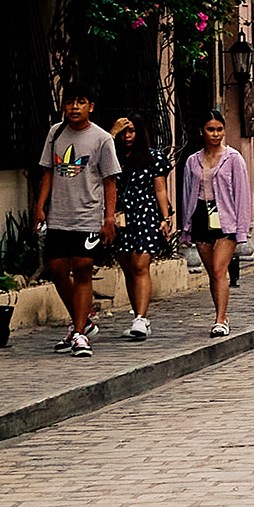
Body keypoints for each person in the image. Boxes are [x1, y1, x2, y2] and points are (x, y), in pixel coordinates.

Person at [31, 90, 119, 355]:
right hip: (59, 214)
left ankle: (79, 333)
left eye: (80, 102)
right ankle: (84, 321)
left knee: (83, 267)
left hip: (88, 215)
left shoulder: (102, 139)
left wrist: (109, 218)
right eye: (70, 102)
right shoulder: (55, 133)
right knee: (56, 269)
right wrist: (40, 206)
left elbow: (110, 181)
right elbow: (47, 172)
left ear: (91, 106)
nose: (74, 107)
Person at [177, 111, 251, 333]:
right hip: (201, 217)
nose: (216, 134)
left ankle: (220, 319)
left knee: (219, 270)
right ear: (202, 131)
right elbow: (187, 195)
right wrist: (186, 228)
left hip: (226, 219)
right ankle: (221, 313)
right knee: (213, 273)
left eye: (219, 129)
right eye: (211, 129)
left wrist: (242, 230)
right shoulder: (192, 161)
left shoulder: (234, 158)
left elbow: (243, 194)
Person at [109, 112, 171, 338]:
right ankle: (137, 316)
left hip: (145, 214)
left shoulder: (153, 157)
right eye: (123, 132)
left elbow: (160, 189)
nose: (127, 136)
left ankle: (142, 318)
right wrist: (111, 134)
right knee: (127, 267)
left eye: (132, 131)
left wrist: (165, 218)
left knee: (140, 265)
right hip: (120, 216)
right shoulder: (112, 156)